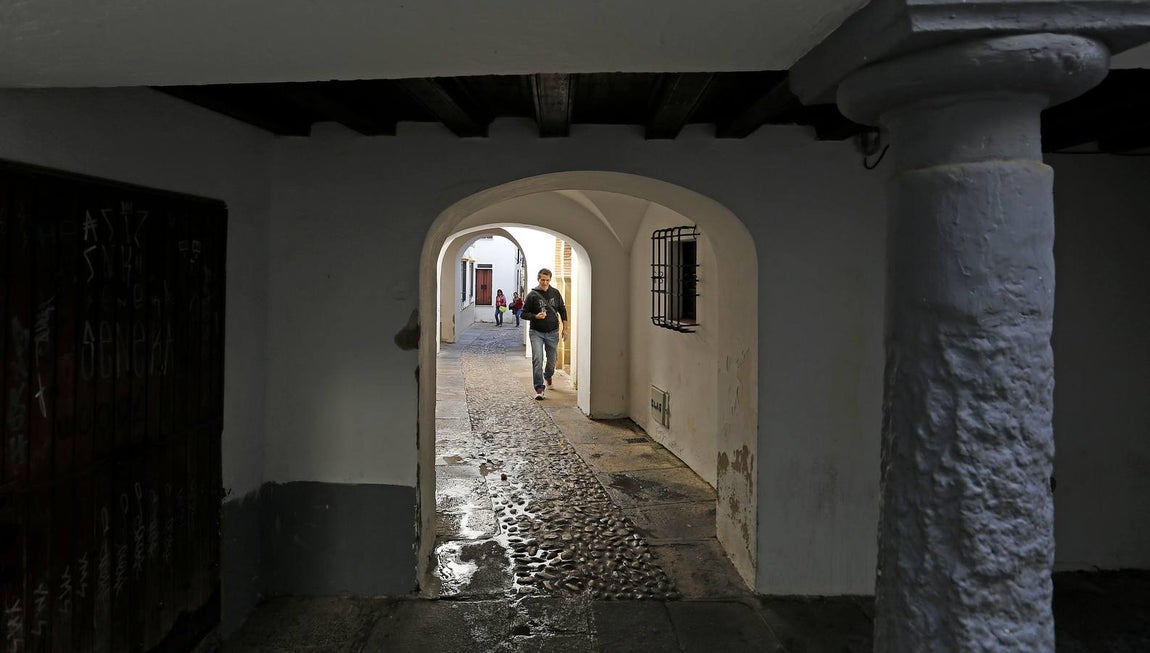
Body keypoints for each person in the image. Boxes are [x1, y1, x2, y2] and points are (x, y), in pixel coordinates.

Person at [521, 269, 567, 400]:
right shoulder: (532, 295)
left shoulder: (555, 293)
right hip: (536, 333)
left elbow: (562, 310)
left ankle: (548, 375)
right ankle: (539, 388)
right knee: (537, 359)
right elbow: (523, 313)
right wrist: (535, 316)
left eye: (547, 280)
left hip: (553, 332)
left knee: (552, 360)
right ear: (538, 279)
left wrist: (565, 328)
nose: (545, 282)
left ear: (550, 280)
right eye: (542, 280)